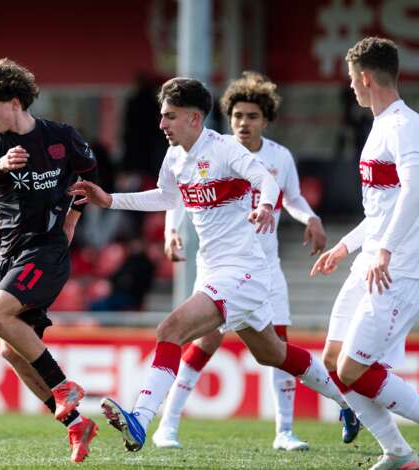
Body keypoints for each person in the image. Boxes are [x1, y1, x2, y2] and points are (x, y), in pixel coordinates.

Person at [69, 77, 350, 453]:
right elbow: (167, 198)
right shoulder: (174, 157)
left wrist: (266, 206)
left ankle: (142, 418)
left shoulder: (225, 148)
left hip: (244, 272)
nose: (162, 124)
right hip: (218, 272)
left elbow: (265, 180)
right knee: (273, 353)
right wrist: (110, 200)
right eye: (162, 116)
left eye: (170, 116)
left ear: (195, 118)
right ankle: (349, 403)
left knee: (170, 329)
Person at [151, 72, 360, 452]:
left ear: (266, 120)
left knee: (275, 349)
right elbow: (178, 192)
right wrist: (171, 230)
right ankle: (168, 424)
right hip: (222, 268)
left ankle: (286, 430)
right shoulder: (210, 151)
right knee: (201, 341)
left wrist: (310, 218)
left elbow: (291, 197)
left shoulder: (278, 158)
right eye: (237, 116)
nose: (243, 123)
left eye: (252, 116)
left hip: (265, 269)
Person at [311, 37, 419, 470]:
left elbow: (414, 192)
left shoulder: (405, 126)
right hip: (373, 262)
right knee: (333, 360)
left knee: (353, 369)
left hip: (400, 268)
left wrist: (385, 250)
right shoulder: (380, 126)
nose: (350, 87)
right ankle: (398, 452)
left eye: (351, 79)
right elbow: (382, 210)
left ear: (364, 78)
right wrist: (345, 247)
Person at [0, 58, 99, 463]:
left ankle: (63, 387)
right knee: (10, 351)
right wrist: (3, 164)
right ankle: (76, 424)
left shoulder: (61, 137)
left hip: (46, 249)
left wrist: (73, 219)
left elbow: (89, 174)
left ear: (14, 102)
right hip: (11, 252)